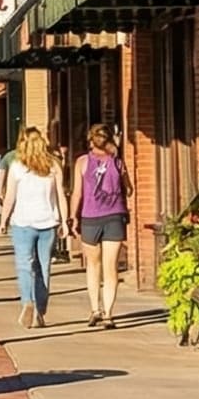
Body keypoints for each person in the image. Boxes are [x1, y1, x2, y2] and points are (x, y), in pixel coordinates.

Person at [0, 126, 66, 329]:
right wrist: (65, 221)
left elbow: (10, 197)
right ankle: (40, 310)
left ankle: (28, 301)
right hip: (48, 222)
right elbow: (61, 196)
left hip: (22, 223)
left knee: (24, 265)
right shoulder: (53, 165)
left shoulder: (17, 166)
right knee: (43, 266)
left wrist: (3, 221)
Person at [69, 123, 132, 328]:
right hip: (114, 216)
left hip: (90, 217)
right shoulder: (117, 162)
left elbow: (77, 192)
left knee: (93, 266)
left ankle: (95, 309)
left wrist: (73, 216)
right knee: (110, 267)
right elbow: (129, 190)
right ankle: (108, 314)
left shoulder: (82, 162)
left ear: (90, 141)